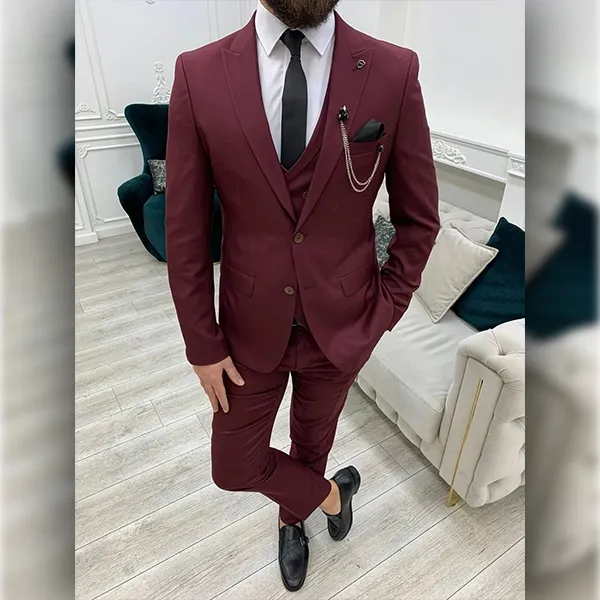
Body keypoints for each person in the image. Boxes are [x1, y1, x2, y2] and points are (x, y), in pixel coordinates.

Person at [166, 0, 439, 591]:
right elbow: (184, 231)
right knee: (233, 464)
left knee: (313, 441)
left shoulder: (393, 70)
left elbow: (420, 220)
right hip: (244, 330)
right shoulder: (199, 72)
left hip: (344, 324)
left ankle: (294, 520)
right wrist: (200, 343)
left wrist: (384, 310)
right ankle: (330, 497)